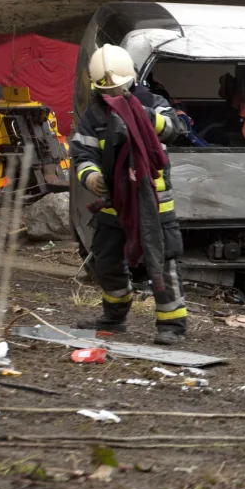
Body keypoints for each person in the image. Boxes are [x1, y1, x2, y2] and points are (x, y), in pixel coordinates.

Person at [70, 45, 189, 345]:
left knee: (162, 263)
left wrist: (143, 116)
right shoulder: (93, 115)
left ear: (131, 81)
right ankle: (114, 315)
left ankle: (171, 325)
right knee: (107, 262)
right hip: (114, 207)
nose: (112, 94)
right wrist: (92, 177)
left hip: (155, 206)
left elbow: (176, 129)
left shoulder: (153, 102)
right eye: (106, 90)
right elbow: (81, 153)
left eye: (119, 89)